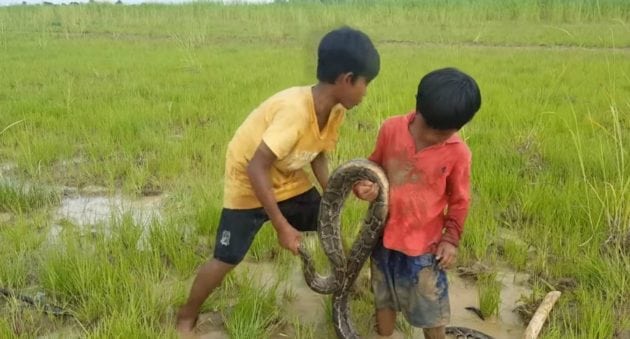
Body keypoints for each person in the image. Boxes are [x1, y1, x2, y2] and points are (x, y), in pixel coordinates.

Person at [176, 26, 380, 335]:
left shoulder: (336, 111)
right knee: (226, 257)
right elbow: (256, 167)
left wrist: (336, 193)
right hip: (248, 183)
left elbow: (317, 153)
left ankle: (346, 280)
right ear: (347, 79)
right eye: (366, 83)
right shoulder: (295, 112)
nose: (366, 91)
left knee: (330, 223)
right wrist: (283, 227)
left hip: (287, 177)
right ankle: (186, 315)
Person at [353, 68, 481, 339]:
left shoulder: (458, 153)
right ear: (417, 106)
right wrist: (365, 187)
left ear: (458, 128)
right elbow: (372, 167)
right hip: (382, 238)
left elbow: (460, 201)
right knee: (383, 297)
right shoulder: (391, 129)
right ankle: (383, 335)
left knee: (430, 310)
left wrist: (451, 238)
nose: (430, 138)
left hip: (425, 249)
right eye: (426, 128)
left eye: (441, 134)